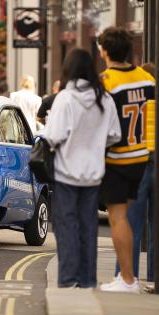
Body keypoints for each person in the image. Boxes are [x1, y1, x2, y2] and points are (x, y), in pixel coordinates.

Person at [42, 49, 121, 288]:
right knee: (89, 229)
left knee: (66, 228)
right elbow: (115, 135)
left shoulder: (65, 98)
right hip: (94, 175)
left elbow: (53, 136)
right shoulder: (104, 99)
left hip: (66, 174)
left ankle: (67, 279)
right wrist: (95, 145)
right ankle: (87, 280)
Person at [97, 27, 155, 293]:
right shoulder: (147, 79)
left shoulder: (106, 81)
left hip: (117, 159)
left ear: (105, 51)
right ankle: (128, 277)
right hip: (141, 156)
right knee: (130, 220)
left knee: (118, 219)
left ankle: (128, 279)